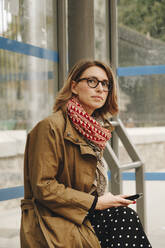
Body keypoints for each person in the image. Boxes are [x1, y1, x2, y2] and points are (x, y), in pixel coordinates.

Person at [20, 60, 152, 248]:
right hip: (54, 220)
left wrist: (104, 200)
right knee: (124, 219)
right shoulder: (50, 127)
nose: (100, 89)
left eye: (105, 84)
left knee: (124, 217)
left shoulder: (93, 130)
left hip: (81, 213)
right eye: (92, 81)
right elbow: (44, 187)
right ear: (74, 86)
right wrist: (95, 203)